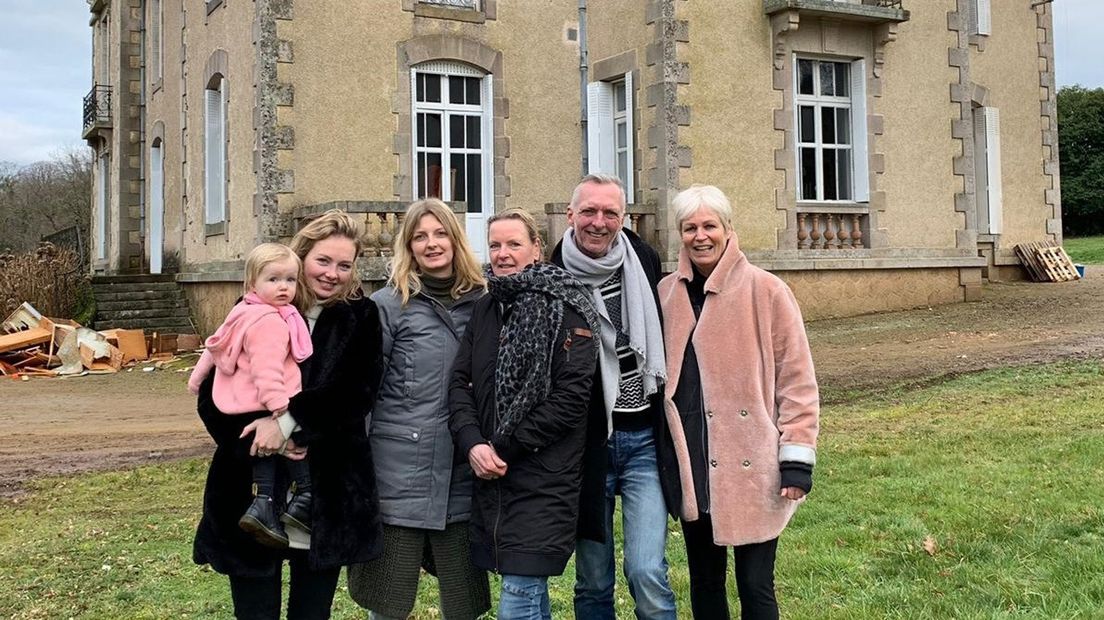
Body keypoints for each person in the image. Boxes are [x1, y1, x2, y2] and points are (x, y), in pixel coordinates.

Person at [192, 209, 385, 620]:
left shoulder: (360, 317)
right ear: (300, 258)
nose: (332, 273)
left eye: (344, 265)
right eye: (323, 261)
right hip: (248, 487)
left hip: (328, 490)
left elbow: (356, 394)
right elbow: (212, 396)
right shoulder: (251, 309)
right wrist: (254, 434)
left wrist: (285, 424)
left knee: (311, 614)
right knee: (255, 611)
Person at [657, 185, 819, 620]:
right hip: (693, 460)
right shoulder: (666, 294)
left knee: (754, 584)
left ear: (729, 230)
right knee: (705, 583)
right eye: (690, 227)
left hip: (754, 462)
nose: (700, 236)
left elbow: (797, 382)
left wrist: (797, 459)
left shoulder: (768, 291)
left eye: (710, 225)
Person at [449, 209, 600, 620]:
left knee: (518, 595)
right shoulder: (485, 308)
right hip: (491, 477)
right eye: (495, 244)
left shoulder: (567, 307)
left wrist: (501, 446)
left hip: (543, 476)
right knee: (526, 590)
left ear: (536, 248)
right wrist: (472, 444)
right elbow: (459, 384)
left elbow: (571, 399)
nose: (502, 254)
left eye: (514, 244)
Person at [347, 199, 491, 620]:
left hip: (463, 472)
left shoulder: (483, 302)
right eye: (420, 237)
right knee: (387, 602)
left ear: (455, 238)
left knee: (463, 605)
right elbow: (365, 395)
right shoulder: (388, 306)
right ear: (408, 247)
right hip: (397, 475)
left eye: (440, 233)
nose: (432, 244)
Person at [550, 174, 677, 620]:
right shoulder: (553, 272)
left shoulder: (643, 258)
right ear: (571, 215)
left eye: (610, 213)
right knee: (593, 579)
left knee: (647, 570)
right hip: (587, 446)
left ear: (623, 218)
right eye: (589, 212)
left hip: (643, 438)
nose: (599, 223)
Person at [188, 242, 316, 549]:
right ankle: (303, 497)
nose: (284, 287)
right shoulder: (270, 322)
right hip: (269, 398)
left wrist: (196, 378)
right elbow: (266, 369)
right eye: (273, 280)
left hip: (240, 401)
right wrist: (280, 410)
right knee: (292, 441)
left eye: (290, 280)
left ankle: (264, 503)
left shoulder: (243, 310)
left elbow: (213, 345)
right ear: (252, 283)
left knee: (264, 453)